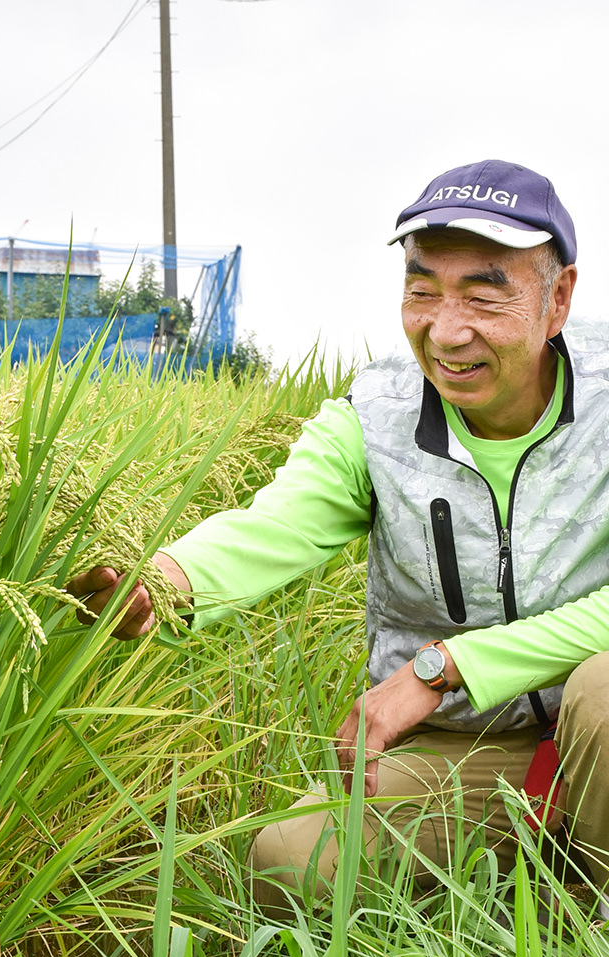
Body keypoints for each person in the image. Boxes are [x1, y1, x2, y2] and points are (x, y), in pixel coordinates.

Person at [68, 159, 609, 916]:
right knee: (291, 860)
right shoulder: (376, 415)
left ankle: (585, 913)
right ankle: (514, 874)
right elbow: (279, 522)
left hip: (596, 738)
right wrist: (164, 581)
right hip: (464, 754)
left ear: (558, 299)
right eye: (422, 291)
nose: (447, 331)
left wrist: (444, 667)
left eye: (484, 295)